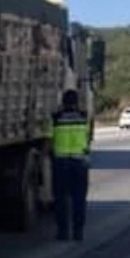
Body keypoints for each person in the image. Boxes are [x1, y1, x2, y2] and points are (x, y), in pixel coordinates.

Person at [48, 89, 92, 242]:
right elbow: (88, 137)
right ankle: (78, 232)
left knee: (60, 199)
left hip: (61, 163)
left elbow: (49, 139)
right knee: (79, 199)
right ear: (76, 102)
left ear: (63, 102)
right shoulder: (83, 118)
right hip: (79, 162)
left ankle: (63, 232)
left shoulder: (56, 119)